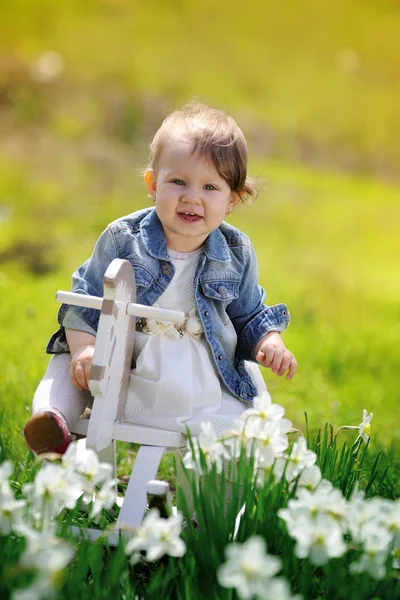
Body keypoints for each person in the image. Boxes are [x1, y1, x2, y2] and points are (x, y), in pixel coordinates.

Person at [23, 102, 297, 456]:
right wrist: (85, 349)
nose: (191, 197)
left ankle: (208, 500)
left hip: (193, 376)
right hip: (124, 360)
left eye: (210, 188)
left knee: (240, 426)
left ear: (233, 199)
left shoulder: (236, 251)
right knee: (67, 364)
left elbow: (249, 316)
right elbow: (83, 302)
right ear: (153, 184)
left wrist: (269, 342)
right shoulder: (124, 238)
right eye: (178, 181)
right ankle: (53, 421)